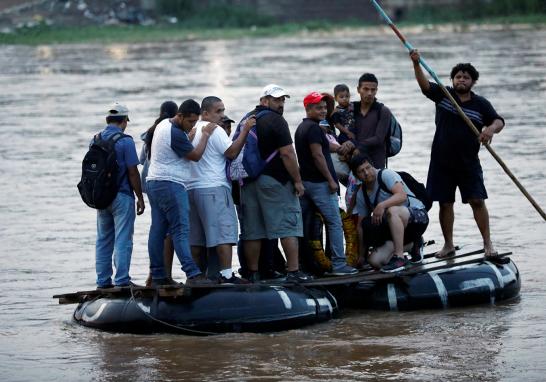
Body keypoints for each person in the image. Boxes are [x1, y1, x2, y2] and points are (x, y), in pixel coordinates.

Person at [409, 49, 505, 258]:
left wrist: (489, 130)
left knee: (477, 200)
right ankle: (448, 245)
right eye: (458, 77)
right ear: (452, 80)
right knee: (445, 202)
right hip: (442, 162)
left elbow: (498, 121)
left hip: (468, 162)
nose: (461, 80)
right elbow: (424, 85)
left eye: (466, 77)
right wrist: (416, 64)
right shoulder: (444, 95)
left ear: (473, 82)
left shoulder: (481, 104)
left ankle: (488, 244)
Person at [240, 84, 311, 283]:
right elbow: (287, 153)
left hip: (248, 182)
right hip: (275, 182)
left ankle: (253, 273)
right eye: (276, 100)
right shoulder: (276, 121)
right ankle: (294, 272)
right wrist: (297, 181)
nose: (280, 104)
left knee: (253, 230)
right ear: (264, 101)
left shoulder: (247, 119)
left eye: (282, 100)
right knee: (287, 226)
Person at [146, 99, 217, 287]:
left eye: (195, 122)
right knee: (181, 230)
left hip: (154, 182)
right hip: (170, 184)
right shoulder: (176, 133)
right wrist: (205, 135)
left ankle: (158, 275)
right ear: (180, 116)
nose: (192, 125)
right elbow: (195, 156)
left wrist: (190, 135)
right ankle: (193, 274)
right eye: (190, 121)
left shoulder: (163, 124)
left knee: (158, 230)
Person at [187, 96, 254, 284]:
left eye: (223, 111)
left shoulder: (191, 130)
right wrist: (246, 130)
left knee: (197, 238)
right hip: (213, 187)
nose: (222, 115)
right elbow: (232, 153)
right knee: (224, 234)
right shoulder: (215, 130)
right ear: (205, 113)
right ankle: (226, 275)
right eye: (218, 111)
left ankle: (197, 276)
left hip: (191, 188)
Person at [295, 91, 358, 276]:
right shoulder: (314, 128)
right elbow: (317, 155)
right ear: (308, 108)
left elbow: (324, 146)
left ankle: (304, 265)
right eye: (318, 107)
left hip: (307, 182)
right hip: (320, 183)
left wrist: (340, 148)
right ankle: (339, 265)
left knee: (305, 224)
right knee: (334, 223)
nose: (323, 111)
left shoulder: (304, 127)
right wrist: (331, 180)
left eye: (324, 107)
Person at [350, 154, 429, 273]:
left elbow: (401, 196)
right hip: (395, 229)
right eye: (361, 171)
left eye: (368, 167)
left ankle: (399, 258)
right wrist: (361, 256)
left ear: (373, 166)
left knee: (392, 210)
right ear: (356, 176)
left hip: (417, 218)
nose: (366, 173)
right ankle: (414, 245)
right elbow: (361, 226)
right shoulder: (361, 194)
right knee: (375, 261)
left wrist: (382, 205)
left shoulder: (385, 175)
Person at [95, 102, 145, 289]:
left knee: (103, 239)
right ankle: (122, 279)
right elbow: (133, 172)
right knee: (123, 238)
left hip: (101, 197)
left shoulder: (96, 139)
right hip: (122, 196)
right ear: (124, 121)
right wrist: (140, 197)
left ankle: (102, 281)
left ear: (107, 120)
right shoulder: (125, 141)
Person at [140, 100, 178, 286]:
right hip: (165, 183)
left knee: (157, 228)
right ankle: (166, 275)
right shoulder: (169, 130)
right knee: (170, 231)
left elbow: (141, 159)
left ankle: (152, 275)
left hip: (149, 184)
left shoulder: (150, 131)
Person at [341, 73, 396, 169]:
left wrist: (357, 146)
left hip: (376, 165)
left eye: (373, 90)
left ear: (376, 91)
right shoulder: (350, 109)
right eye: (366, 89)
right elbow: (346, 132)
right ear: (358, 89)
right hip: (354, 163)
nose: (369, 93)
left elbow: (379, 139)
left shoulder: (383, 111)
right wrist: (345, 143)